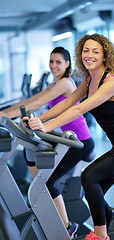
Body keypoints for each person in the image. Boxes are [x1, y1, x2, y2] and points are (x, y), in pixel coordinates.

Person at [25, 34, 114, 240]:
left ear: (105, 56)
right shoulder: (88, 80)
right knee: (94, 190)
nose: (89, 55)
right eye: (86, 50)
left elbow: (79, 110)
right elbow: (68, 104)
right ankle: (113, 226)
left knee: (89, 176)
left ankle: (101, 236)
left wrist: (45, 127)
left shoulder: (111, 83)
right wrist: (37, 120)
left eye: (95, 51)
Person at [0, 46, 95, 239]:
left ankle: (68, 226)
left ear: (67, 64)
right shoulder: (56, 82)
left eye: (58, 62)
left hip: (80, 142)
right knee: (34, 161)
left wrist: (5, 115)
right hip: (66, 139)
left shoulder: (65, 84)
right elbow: (31, 100)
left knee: (47, 181)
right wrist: (5, 113)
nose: (53, 66)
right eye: (51, 62)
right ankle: (44, 211)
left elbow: (35, 105)